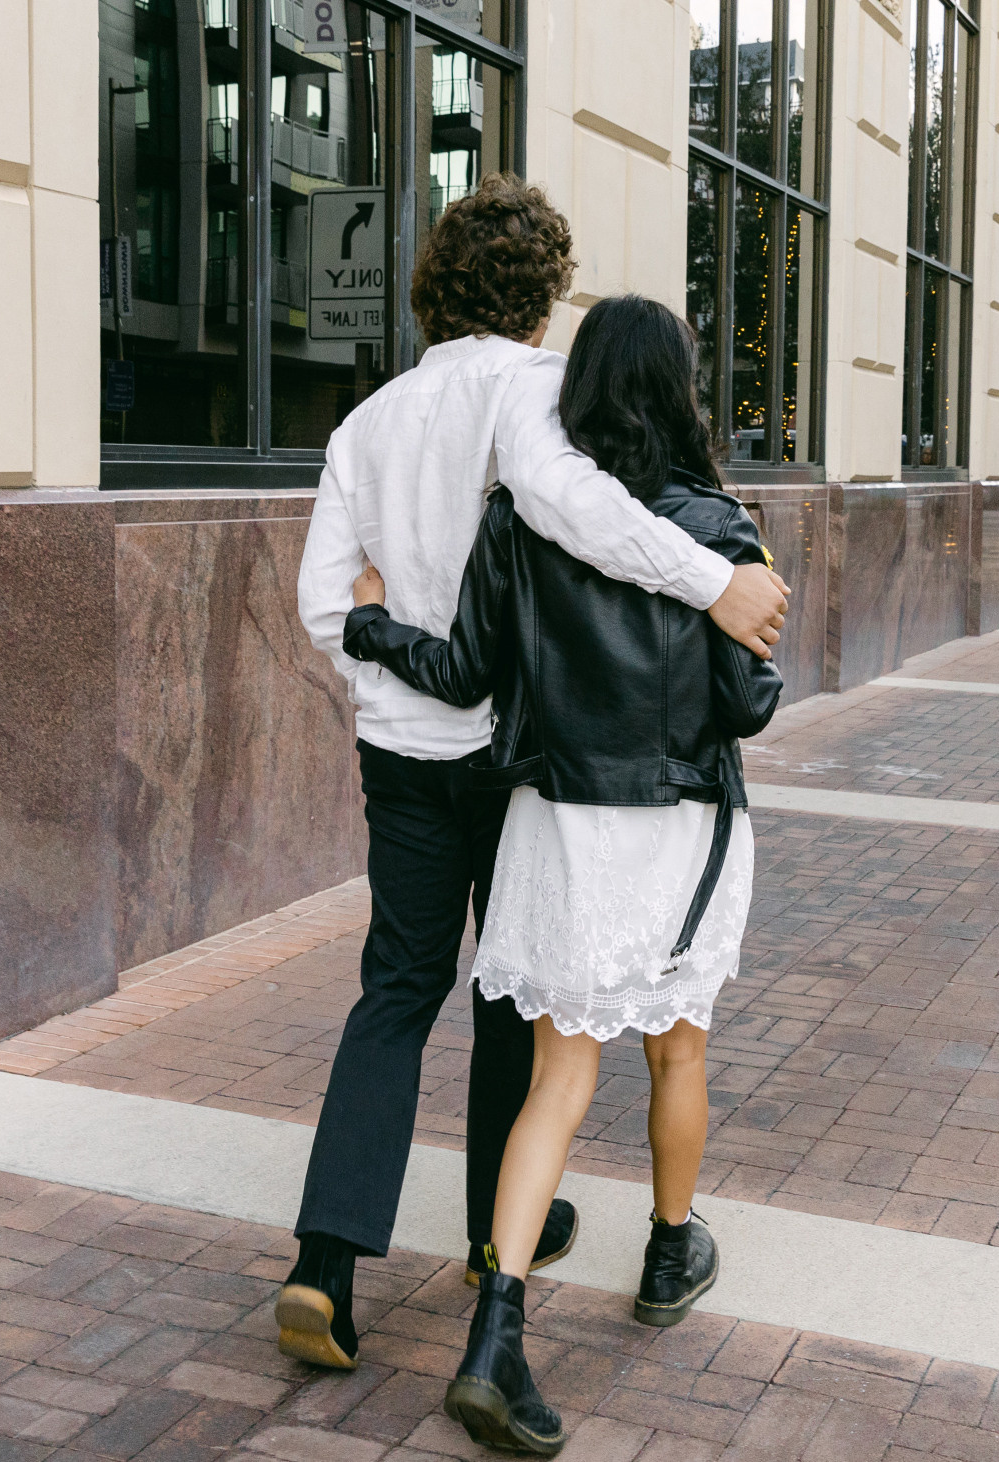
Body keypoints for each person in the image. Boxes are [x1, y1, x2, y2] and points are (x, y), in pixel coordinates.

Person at [283, 178, 789, 1375]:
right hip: (511, 749)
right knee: (512, 995)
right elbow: (579, 512)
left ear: (431, 289)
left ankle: (324, 1266)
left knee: (394, 991)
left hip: (398, 752)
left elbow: (321, 603)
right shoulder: (531, 391)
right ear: (545, 293)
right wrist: (716, 584)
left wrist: (380, 656)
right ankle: (487, 1237)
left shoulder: (365, 423)